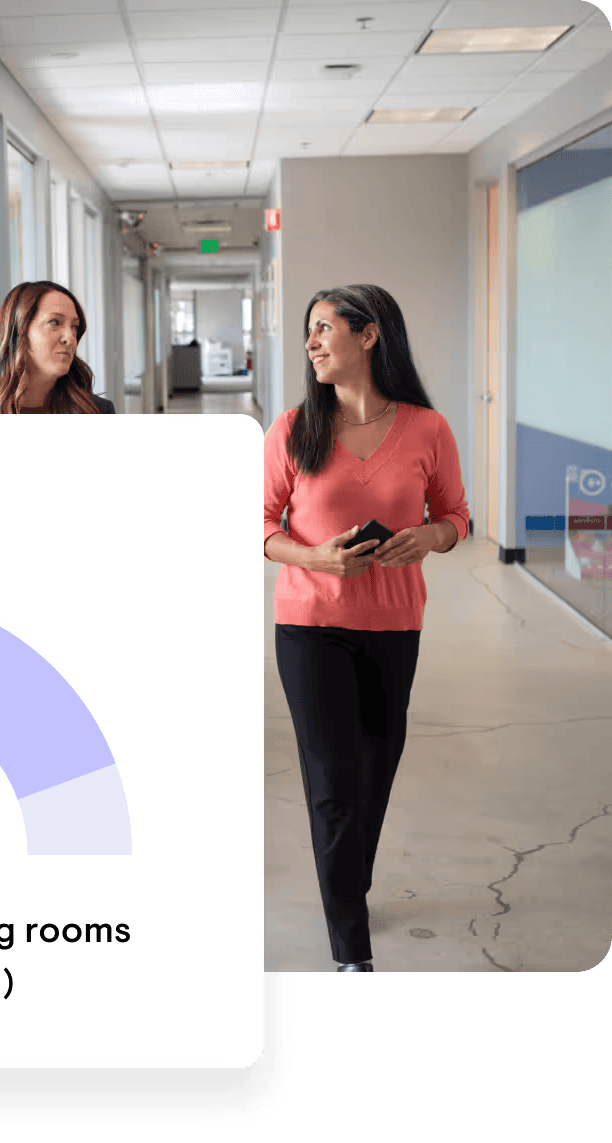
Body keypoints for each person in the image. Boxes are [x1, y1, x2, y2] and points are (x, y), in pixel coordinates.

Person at [263, 284, 469, 973]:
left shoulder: (425, 428)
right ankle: (350, 945)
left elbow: (455, 515)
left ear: (369, 334)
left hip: (392, 626)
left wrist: (429, 537)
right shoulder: (292, 428)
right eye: (308, 332)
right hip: (308, 626)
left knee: (373, 775)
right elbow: (259, 525)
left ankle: (347, 884)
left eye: (324, 328)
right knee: (333, 780)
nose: (311, 342)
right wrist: (313, 555)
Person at [0, 281, 114, 413]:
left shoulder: (98, 411)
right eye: (54, 322)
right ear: (19, 330)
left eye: (74, 327)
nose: (70, 337)